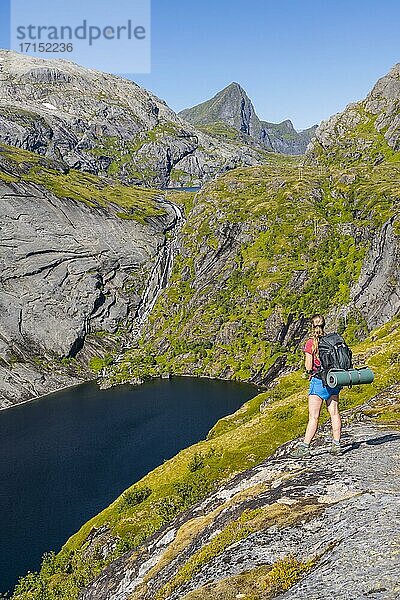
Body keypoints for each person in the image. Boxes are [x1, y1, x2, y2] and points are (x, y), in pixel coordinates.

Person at [291, 314, 343, 458]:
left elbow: (308, 366)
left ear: (311, 326)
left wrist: (309, 367)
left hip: (318, 381)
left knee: (314, 417)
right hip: (333, 380)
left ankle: (305, 447)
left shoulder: (311, 343)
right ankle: (337, 444)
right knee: (334, 413)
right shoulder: (330, 341)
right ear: (324, 325)